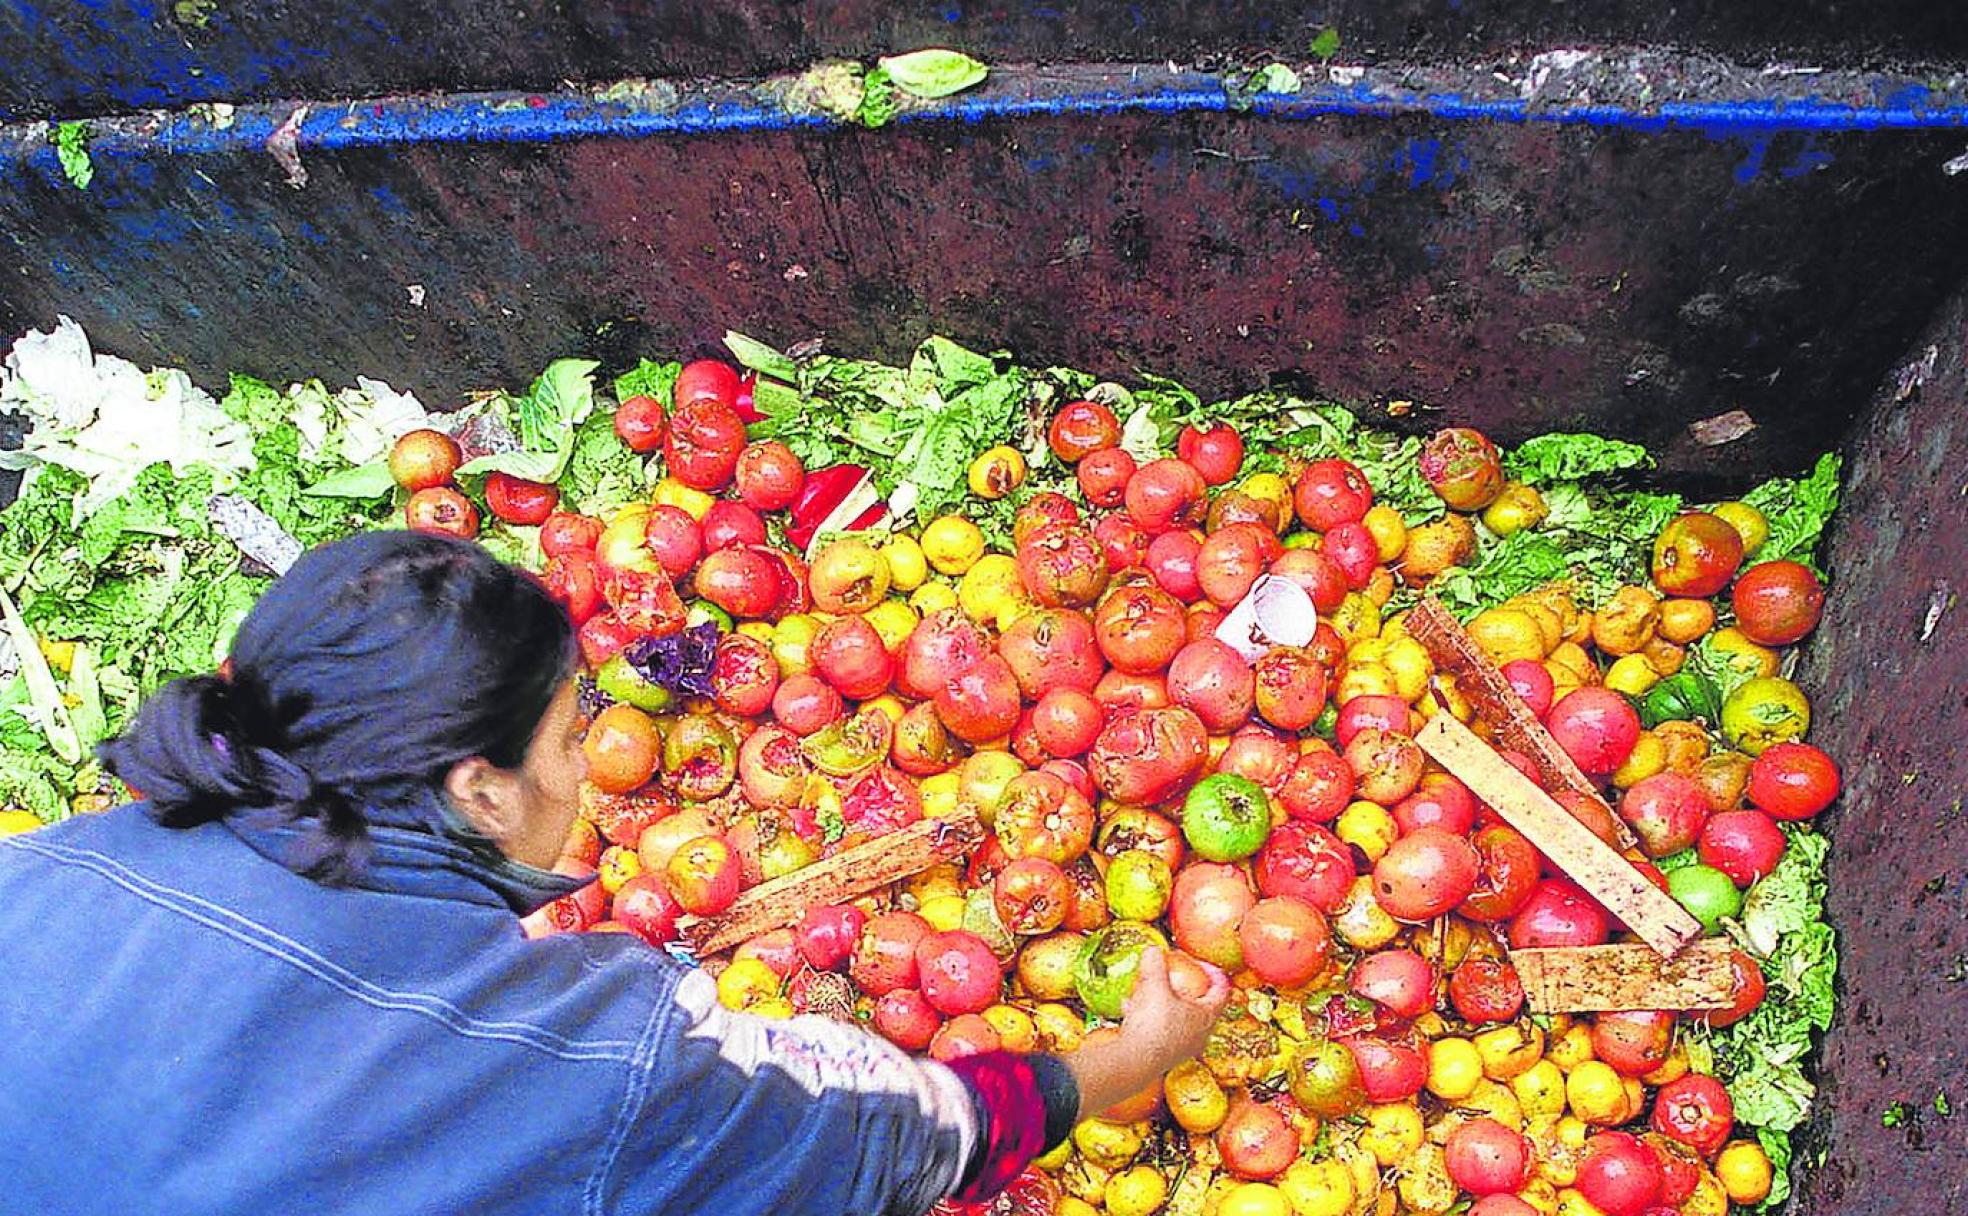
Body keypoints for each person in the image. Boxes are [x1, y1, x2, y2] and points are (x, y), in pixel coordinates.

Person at [0, 531, 1228, 1215]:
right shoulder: (586, 1054)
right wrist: (1127, 1059)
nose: (594, 760)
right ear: (478, 789)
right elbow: (870, 1140)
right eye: (575, 732)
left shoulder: (39, 874)